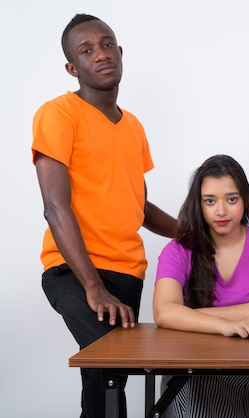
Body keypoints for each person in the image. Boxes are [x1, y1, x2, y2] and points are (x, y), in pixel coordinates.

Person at [32, 14, 178, 418]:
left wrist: (191, 233)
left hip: (127, 274)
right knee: (107, 369)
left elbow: (141, 207)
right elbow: (54, 206)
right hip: (75, 272)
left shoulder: (133, 127)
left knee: (107, 380)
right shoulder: (58, 114)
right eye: (86, 50)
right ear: (72, 67)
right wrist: (93, 287)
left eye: (107, 43)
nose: (101, 54)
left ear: (120, 52)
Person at [153, 154, 249, 418]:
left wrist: (193, 316)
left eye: (231, 199)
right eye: (210, 201)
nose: (221, 211)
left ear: (245, 200)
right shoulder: (178, 249)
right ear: (199, 205)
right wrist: (226, 326)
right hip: (197, 371)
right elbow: (164, 312)